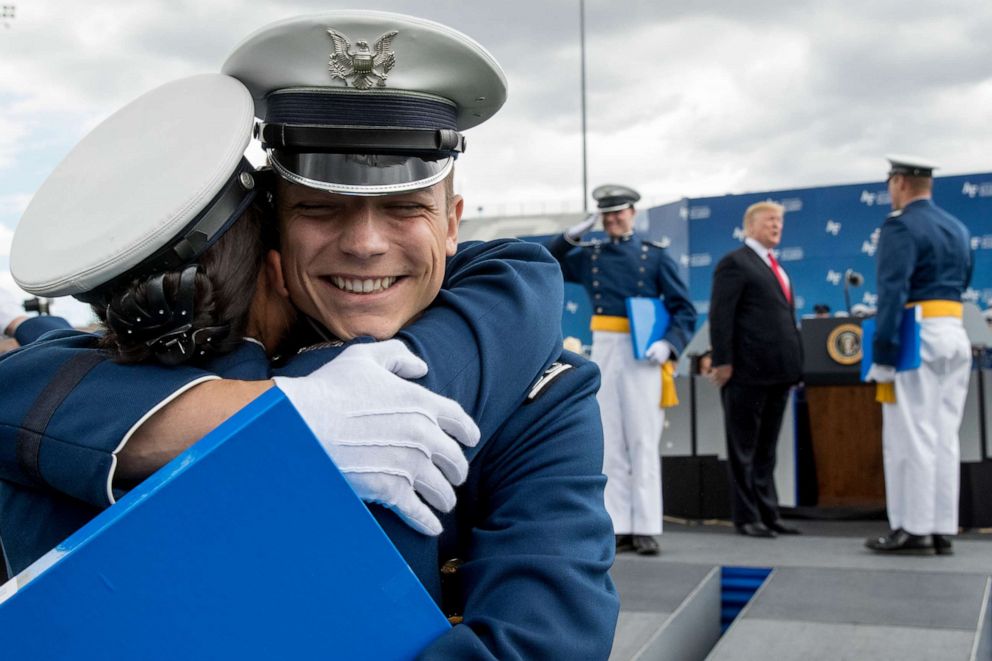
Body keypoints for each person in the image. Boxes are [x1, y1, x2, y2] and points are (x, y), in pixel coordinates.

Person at [2, 13, 619, 658]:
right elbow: (23, 389)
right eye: (320, 210)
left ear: (452, 224)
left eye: (406, 208)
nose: (365, 245)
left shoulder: (542, 391)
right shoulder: (205, 359)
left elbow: (546, 643)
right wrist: (269, 417)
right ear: (275, 230)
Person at [546, 184, 696, 555]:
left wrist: (670, 343)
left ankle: (646, 525)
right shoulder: (591, 255)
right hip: (606, 347)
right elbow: (545, 259)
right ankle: (618, 524)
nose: (613, 219)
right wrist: (571, 235)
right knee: (609, 439)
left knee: (643, 439)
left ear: (632, 212)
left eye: (619, 211)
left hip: (644, 350)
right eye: (606, 213)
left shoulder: (655, 256)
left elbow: (685, 310)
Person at [863, 155, 972, 556]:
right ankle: (942, 526)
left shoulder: (899, 225)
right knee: (944, 434)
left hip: (916, 333)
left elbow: (893, 291)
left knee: (911, 434)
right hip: (954, 331)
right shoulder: (957, 228)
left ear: (900, 183)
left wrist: (885, 353)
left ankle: (912, 527)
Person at [708, 200, 803, 538]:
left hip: (779, 372)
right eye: (769, 220)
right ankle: (746, 517)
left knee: (766, 451)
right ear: (749, 226)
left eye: (780, 221)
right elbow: (721, 316)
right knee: (744, 449)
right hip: (746, 373)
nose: (776, 226)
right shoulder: (734, 263)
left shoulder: (775, 266)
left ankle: (768, 513)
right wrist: (724, 362)